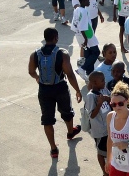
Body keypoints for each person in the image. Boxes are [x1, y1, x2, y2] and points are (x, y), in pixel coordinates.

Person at [28, 27, 82, 159]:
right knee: (67, 112)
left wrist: (37, 77)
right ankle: (70, 132)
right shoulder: (62, 53)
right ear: (56, 38)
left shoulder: (35, 54)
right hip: (60, 87)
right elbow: (69, 74)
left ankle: (53, 149)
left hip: (44, 89)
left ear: (45, 38)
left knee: (47, 119)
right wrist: (77, 90)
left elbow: (31, 71)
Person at [84, 71, 110, 176]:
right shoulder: (91, 96)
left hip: (109, 128)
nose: (104, 82)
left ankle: (110, 169)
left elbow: (111, 101)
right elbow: (92, 115)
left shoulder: (104, 90)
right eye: (102, 80)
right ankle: (105, 172)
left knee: (109, 151)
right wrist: (99, 104)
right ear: (95, 82)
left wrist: (108, 99)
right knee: (101, 152)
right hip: (100, 131)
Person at [71, 0, 102, 77]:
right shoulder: (84, 11)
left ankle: (89, 74)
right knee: (96, 52)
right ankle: (82, 69)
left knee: (88, 54)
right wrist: (86, 39)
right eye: (88, 0)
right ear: (83, 1)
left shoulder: (77, 9)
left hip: (78, 35)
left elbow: (75, 24)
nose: (89, 2)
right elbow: (82, 26)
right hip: (87, 35)